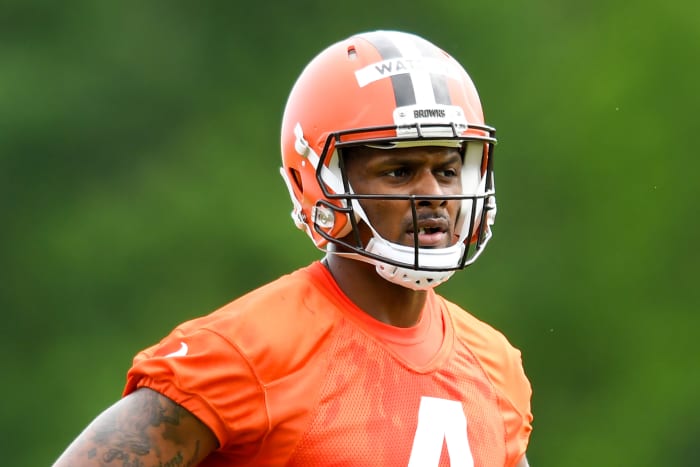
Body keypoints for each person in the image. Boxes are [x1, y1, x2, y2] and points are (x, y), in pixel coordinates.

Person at [53, 29, 533, 466]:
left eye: (447, 170)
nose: (432, 194)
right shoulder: (245, 352)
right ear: (317, 183)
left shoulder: (494, 365)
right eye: (399, 171)